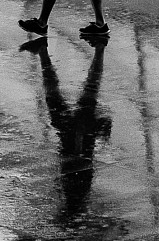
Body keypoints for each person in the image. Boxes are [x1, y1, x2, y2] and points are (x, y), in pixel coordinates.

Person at [32, 40, 112, 221]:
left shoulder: (78, 193)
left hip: (77, 131)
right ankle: (43, 53)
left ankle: (99, 51)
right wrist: (80, 135)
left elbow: (82, 163)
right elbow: (77, 160)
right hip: (73, 130)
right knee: (57, 93)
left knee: (90, 87)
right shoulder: (73, 192)